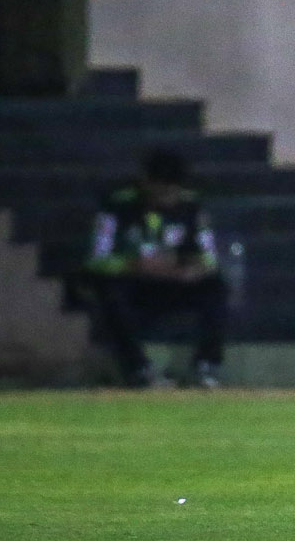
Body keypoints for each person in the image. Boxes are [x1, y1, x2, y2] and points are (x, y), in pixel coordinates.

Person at [81, 149, 227, 388]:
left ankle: (206, 366)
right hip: (134, 284)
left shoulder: (191, 206)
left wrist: (193, 269)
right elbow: (96, 259)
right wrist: (132, 265)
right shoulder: (117, 205)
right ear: (146, 182)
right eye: (161, 191)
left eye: (172, 191)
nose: (167, 199)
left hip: (174, 283)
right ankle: (138, 369)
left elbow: (210, 258)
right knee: (109, 291)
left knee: (216, 288)